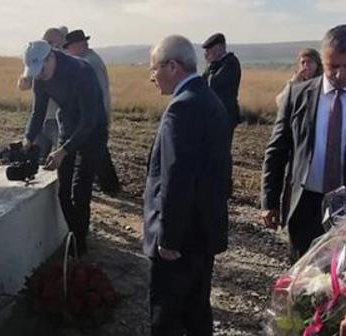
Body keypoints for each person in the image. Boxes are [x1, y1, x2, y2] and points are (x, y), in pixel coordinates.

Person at [143, 35, 231, 335]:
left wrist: (168, 238)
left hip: (180, 241)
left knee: (167, 316)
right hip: (202, 232)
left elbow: (176, 179)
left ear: (172, 66)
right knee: (196, 312)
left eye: (154, 68)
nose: (151, 76)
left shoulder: (182, 108)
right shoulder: (208, 98)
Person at [261, 24, 346, 263]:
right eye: (333, 66)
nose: (340, 74)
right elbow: (277, 149)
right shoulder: (298, 95)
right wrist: (269, 201)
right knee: (303, 283)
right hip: (305, 206)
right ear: (323, 60)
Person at [21, 40, 108, 256]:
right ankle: (74, 235)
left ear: (52, 58)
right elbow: (37, 112)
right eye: (35, 72)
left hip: (93, 129)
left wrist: (63, 151)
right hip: (68, 126)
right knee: (63, 191)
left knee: (81, 190)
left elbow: (89, 121)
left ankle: (80, 245)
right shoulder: (40, 79)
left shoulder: (81, 71)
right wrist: (27, 139)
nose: (39, 75)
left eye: (41, 70)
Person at [64, 29, 120, 193]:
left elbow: (95, 92)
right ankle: (110, 185)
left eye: (70, 47)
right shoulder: (89, 59)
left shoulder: (88, 63)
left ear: (79, 45)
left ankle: (109, 185)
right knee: (99, 150)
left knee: (96, 150)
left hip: (94, 114)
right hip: (97, 113)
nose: (68, 50)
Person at [17, 28, 67, 163]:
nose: (49, 44)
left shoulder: (67, 64)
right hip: (42, 118)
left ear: (62, 41)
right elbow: (24, 86)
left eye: (51, 42)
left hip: (59, 121)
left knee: (62, 159)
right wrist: (28, 138)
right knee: (35, 157)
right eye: (46, 41)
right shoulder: (37, 57)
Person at [202, 33, 242, 134]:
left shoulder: (231, 62)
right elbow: (202, 83)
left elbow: (214, 84)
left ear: (220, 47)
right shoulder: (214, 65)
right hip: (213, 114)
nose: (207, 53)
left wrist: (211, 66)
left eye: (210, 50)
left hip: (226, 114)